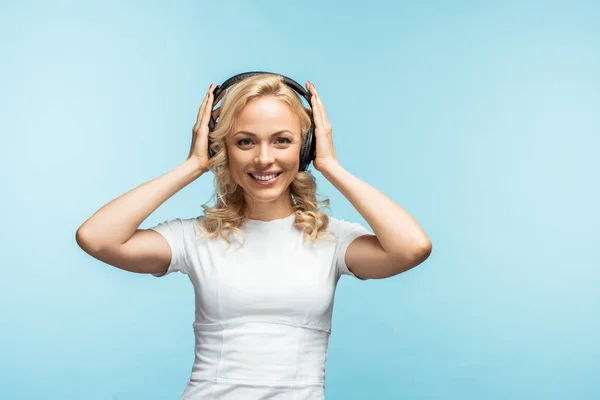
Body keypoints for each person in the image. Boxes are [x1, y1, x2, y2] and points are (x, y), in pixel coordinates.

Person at [76, 73, 432, 399]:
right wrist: (193, 166)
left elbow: (412, 247)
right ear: (223, 150)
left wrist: (331, 166)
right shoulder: (196, 237)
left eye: (282, 141)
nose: (264, 158)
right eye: (245, 142)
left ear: (304, 149)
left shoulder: (332, 239)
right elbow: (97, 238)